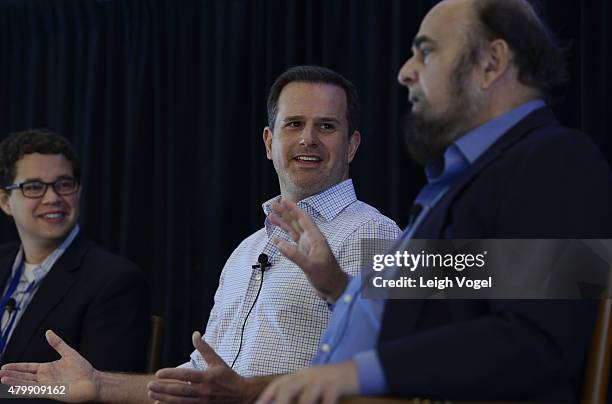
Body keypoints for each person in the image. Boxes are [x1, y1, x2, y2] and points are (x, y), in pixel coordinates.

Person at [253, 0, 612, 402]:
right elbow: (441, 308)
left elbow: (540, 338)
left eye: (426, 51)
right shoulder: (457, 182)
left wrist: (353, 375)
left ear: (491, 63)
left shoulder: (558, 159)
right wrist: (338, 287)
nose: (405, 72)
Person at [0, 67, 400, 402]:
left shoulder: (377, 233)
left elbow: (397, 361)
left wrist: (338, 287)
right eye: (294, 124)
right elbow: (196, 383)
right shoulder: (247, 251)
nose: (308, 138)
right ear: (268, 142)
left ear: (351, 146)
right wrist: (100, 384)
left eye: (326, 126)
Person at [0, 129, 150, 373]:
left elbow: (102, 392)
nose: (53, 197)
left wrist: (8, 392)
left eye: (64, 184)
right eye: (34, 186)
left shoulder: (116, 282)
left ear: (78, 191)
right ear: (5, 201)